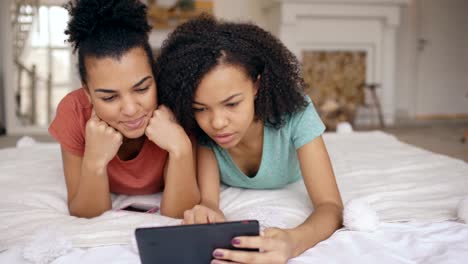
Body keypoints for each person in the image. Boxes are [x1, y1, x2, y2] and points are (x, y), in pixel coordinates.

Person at [155, 15, 343, 263]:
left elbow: (330, 205)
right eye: (200, 108)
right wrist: (208, 214)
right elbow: (210, 201)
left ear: (256, 86)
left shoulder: (297, 114)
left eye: (232, 103)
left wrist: (294, 241)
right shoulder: (202, 129)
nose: (217, 122)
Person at [48, 0, 199, 219]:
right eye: (109, 97)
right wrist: (95, 160)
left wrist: (181, 148)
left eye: (142, 88)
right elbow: (85, 213)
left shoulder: (176, 103)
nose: (130, 109)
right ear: (88, 92)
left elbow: (179, 212)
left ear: (155, 77)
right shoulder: (74, 111)